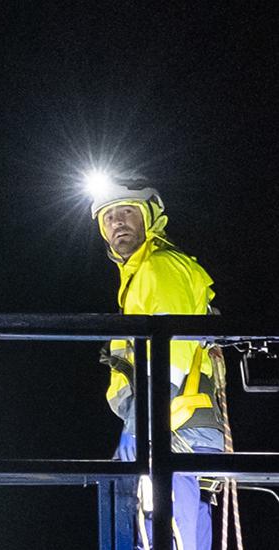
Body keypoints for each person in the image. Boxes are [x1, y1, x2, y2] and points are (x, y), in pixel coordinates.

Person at [91, 177, 225, 550]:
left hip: (174, 428)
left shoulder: (159, 268)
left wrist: (140, 425)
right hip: (178, 429)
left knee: (167, 536)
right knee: (181, 535)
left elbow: (172, 353)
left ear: (149, 219)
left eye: (127, 212)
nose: (117, 222)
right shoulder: (141, 276)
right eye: (108, 217)